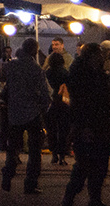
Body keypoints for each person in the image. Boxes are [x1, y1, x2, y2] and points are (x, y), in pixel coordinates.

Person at [61, 43, 110, 206]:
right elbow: (81, 103)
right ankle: (70, 197)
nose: (101, 57)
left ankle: (94, 198)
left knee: (99, 165)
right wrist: (82, 126)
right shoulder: (81, 75)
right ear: (90, 56)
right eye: (98, 54)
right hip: (88, 124)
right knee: (84, 165)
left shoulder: (98, 74)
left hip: (100, 124)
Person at [1, 37, 52, 194]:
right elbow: (45, 94)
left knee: (13, 147)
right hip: (32, 112)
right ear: (35, 50)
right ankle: (30, 183)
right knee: (35, 151)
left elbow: (6, 88)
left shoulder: (11, 66)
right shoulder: (36, 69)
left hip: (14, 112)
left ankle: (8, 173)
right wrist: (44, 107)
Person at [46, 37, 73, 166]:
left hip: (50, 104)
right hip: (63, 104)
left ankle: (54, 155)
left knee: (51, 130)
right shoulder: (65, 73)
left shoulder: (47, 73)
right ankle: (62, 155)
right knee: (63, 130)